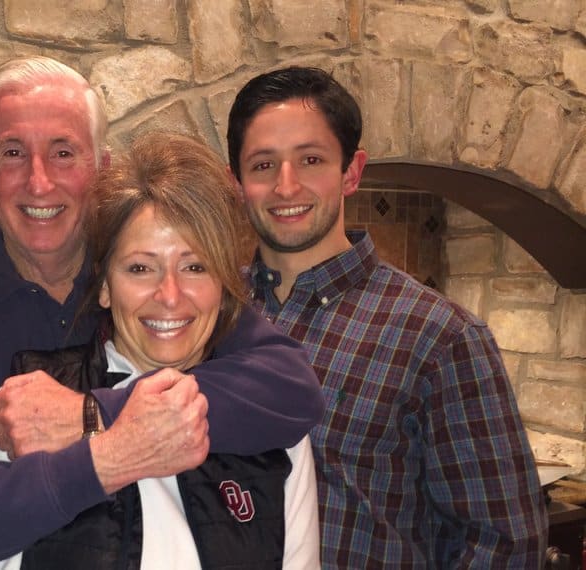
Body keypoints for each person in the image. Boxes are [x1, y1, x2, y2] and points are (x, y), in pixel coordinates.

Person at [0, 56, 324, 568]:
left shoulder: (164, 295)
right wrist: (104, 458)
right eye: (12, 153)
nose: (40, 181)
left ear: (102, 170)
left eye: (64, 152)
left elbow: (291, 388)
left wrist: (90, 415)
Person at [226, 65, 547, 567]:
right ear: (237, 182)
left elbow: (503, 543)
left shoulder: (440, 336)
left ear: (351, 172)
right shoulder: (213, 315)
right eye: (263, 165)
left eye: (310, 159)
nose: (286, 187)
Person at [0, 131, 320, 569]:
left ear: (223, 286)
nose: (170, 296)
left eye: (194, 266)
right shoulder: (23, 415)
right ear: (105, 287)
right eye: (140, 268)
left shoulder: (274, 431)